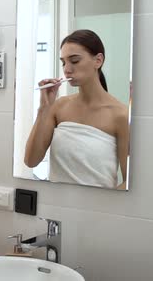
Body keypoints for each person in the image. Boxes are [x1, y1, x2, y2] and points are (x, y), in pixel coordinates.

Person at [24, 29, 129, 190]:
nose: (66, 68)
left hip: (97, 212)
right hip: (55, 210)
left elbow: (130, 184)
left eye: (74, 61)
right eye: (63, 62)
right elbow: (31, 161)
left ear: (98, 60)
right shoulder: (58, 107)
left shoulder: (120, 115)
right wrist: (44, 109)